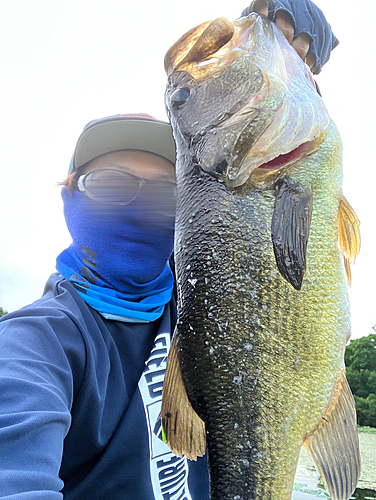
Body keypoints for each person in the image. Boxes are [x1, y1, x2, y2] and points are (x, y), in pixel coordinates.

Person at [0, 2, 338, 499]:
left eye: (164, 193)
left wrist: (285, 45)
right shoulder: (36, 344)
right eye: (110, 184)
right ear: (69, 196)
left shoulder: (204, 304)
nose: (140, 207)